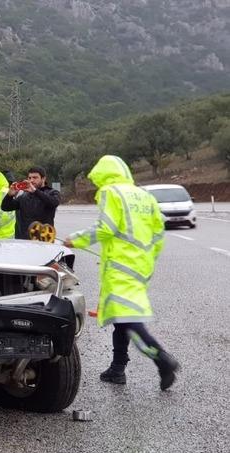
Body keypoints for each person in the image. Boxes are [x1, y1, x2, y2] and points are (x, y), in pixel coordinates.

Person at [64, 155, 179, 390]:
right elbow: (159, 232)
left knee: (128, 319)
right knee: (121, 318)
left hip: (120, 266)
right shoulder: (144, 195)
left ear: (103, 174)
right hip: (140, 265)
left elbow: (106, 228)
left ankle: (162, 359)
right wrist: (148, 260)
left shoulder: (111, 192)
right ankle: (117, 369)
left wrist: (74, 240)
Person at [2, 166, 60, 240]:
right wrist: (9, 195)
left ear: (43, 179)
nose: (31, 180)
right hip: (23, 240)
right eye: (29, 178)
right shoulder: (24, 196)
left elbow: (53, 202)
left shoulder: (52, 192)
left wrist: (35, 191)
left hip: (42, 240)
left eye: (35, 177)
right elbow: (5, 207)